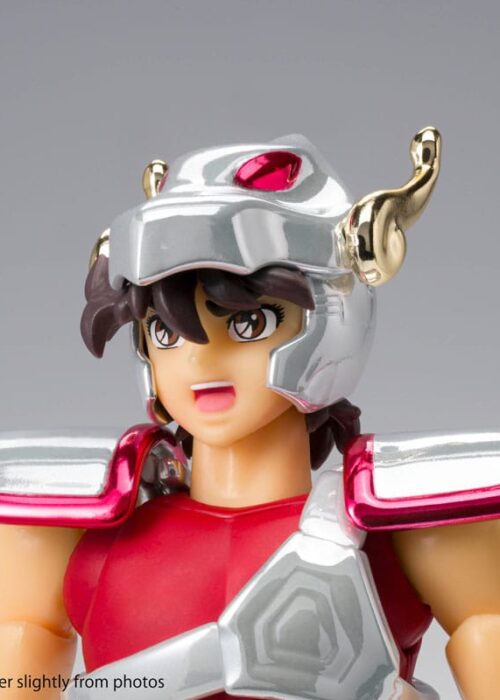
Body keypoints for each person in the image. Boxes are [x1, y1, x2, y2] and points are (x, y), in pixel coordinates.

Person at [3, 130, 500, 700]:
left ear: (329, 325)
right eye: (166, 332)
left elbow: (487, 633)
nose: (199, 359)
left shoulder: (406, 538)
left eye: (249, 324)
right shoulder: (77, 539)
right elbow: (20, 668)